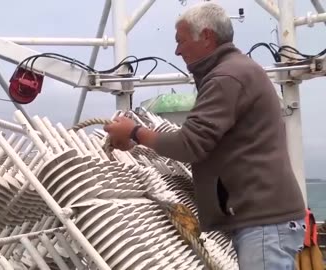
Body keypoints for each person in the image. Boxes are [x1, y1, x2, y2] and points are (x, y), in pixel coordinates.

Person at [103, 2, 306, 269]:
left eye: (181, 41)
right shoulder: (236, 71)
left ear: (207, 37)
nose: (177, 50)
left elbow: (190, 145)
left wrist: (134, 132)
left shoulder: (226, 77)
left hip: (263, 222)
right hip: (264, 220)